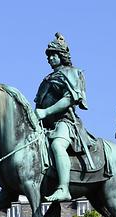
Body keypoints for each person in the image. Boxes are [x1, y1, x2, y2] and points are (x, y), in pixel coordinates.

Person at [34, 32, 93, 204]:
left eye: (54, 55)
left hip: (65, 122)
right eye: (49, 56)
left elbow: (69, 98)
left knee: (58, 145)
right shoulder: (46, 79)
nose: (51, 58)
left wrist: (46, 112)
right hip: (44, 126)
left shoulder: (72, 73)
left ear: (62, 56)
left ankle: (63, 188)